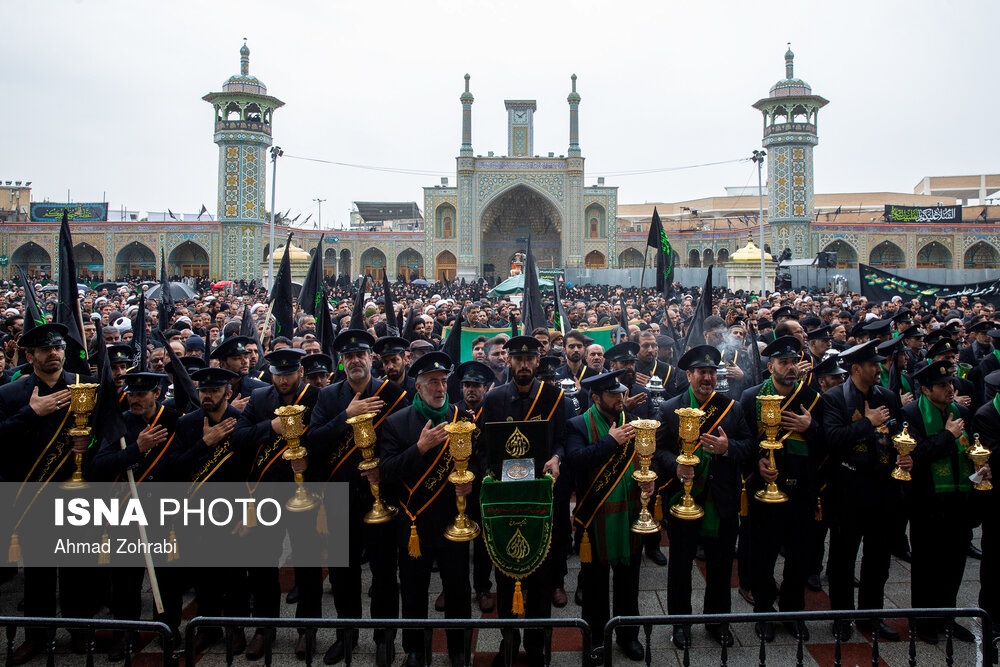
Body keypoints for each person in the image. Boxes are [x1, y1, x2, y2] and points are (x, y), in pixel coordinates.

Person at [307, 329, 408, 666]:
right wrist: (346, 416)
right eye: (348, 356)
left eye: (360, 355)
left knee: (383, 572)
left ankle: (384, 636)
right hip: (338, 496)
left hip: (381, 496)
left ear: (370, 358)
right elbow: (314, 442)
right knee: (342, 573)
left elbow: (404, 442)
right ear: (342, 362)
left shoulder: (391, 392)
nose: (354, 361)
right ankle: (345, 634)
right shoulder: (328, 397)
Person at [0, 323, 99, 664]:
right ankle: (37, 637)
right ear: (30, 356)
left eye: (57, 347)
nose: (53, 353)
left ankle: (79, 629)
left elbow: (109, 433)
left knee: (77, 570)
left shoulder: (86, 389)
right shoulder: (11, 395)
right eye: (45, 350)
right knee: (39, 574)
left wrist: (91, 443)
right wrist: (32, 413)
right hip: (33, 495)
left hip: (76, 496)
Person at [655, 344, 753, 649]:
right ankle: (680, 624)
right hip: (683, 499)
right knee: (680, 566)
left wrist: (728, 449)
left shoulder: (732, 408)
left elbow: (751, 445)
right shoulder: (669, 408)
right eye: (702, 372)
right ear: (689, 375)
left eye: (712, 372)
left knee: (722, 565)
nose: (707, 378)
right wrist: (676, 464)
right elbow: (658, 451)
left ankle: (717, 621)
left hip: (721, 499)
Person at [232, 348, 323, 660]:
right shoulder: (259, 400)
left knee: (308, 564)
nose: (284, 379)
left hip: (305, 493)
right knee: (262, 564)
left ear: (299, 372)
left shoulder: (315, 397)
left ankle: (307, 629)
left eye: (289, 373)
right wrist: (270, 428)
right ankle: (264, 628)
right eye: (278, 373)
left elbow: (324, 438)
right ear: (270, 374)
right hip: (266, 494)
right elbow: (238, 437)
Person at [381, 352, 470, 667]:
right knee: (414, 589)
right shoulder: (396, 423)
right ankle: (415, 648)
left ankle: (459, 648)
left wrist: (472, 484)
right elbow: (387, 472)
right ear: (417, 387)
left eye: (444, 381)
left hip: (453, 519)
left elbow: (481, 462)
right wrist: (420, 448)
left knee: (458, 588)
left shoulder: (463, 417)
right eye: (433, 382)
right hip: (414, 522)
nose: (441, 388)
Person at [481, 336, 565, 666]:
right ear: (509, 361)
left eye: (530, 359)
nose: (525, 365)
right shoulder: (495, 398)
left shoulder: (554, 396)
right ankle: (509, 641)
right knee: (506, 577)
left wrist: (557, 457)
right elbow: (486, 448)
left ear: (538, 361)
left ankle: (536, 644)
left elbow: (561, 442)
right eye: (518, 359)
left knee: (541, 578)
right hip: (507, 499)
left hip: (540, 498)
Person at [92, 370, 182, 660]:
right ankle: (125, 632)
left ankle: (168, 628)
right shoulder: (121, 424)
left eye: (141, 394)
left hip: (165, 512)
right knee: (125, 579)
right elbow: (100, 465)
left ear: (157, 394)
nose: (135, 399)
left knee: (167, 578)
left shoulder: (174, 420)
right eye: (131, 393)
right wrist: (136, 448)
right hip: (127, 511)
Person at [739, 336, 824, 642]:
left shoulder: (813, 397)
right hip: (764, 488)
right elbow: (745, 440)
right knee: (762, 553)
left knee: (800, 555)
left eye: (793, 362)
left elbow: (828, 440)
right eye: (783, 362)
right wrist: (756, 463)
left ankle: (793, 609)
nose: (790, 368)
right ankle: (764, 610)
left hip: (801, 488)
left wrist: (809, 427)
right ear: (770, 365)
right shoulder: (751, 397)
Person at [565, 370, 650, 662]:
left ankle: (629, 636)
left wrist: (650, 479)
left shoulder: (633, 423)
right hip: (595, 519)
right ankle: (596, 640)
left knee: (629, 583)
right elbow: (575, 461)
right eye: (613, 394)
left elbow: (645, 459)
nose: (619, 398)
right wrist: (609, 442)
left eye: (621, 393)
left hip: (630, 515)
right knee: (595, 588)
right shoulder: (577, 424)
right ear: (596, 397)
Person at [822, 339, 902, 641]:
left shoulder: (888, 397)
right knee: (843, 557)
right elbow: (833, 439)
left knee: (878, 558)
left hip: (883, 488)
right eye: (872, 365)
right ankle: (841, 617)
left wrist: (904, 455)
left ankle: (872, 615)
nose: (878, 369)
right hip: (849, 489)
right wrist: (867, 422)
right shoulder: (835, 399)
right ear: (856, 369)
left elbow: (897, 433)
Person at [170, 366, 249, 655]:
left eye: (214, 391)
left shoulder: (242, 422)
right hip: (197, 511)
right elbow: (175, 467)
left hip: (233, 510)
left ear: (228, 394)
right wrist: (205, 442)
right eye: (203, 390)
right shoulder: (188, 424)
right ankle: (207, 627)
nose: (207, 396)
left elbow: (252, 471)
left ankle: (237, 627)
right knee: (203, 575)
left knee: (235, 575)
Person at [900, 360, 980, 644]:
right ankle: (924, 620)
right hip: (927, 501)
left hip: (959, 499)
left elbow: (971, 449)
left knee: (954, 562)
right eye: (943, 385)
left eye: (951, 383)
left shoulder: (961, 412)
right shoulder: (910, 414)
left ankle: (947, 615)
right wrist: (948, 436)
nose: (950, 389)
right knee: (927, 563)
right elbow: (914, 458)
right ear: (925, 389)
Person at [454, 360, 497, 613]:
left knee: (482, 542)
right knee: (456, 541)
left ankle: (482, 587)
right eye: (466, 385)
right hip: (458, 487)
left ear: (485, 388)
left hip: (484, 486)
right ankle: (456, 589)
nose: (471, 390)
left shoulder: (493, 412)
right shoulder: (453, 412)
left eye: (476, 385)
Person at [211, 335, 267, 408]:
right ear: (222, 364)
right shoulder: (212, 390)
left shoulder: (261, 390)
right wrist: (231, 410)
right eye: (237, 358)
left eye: (246, 357)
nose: (244, 361)